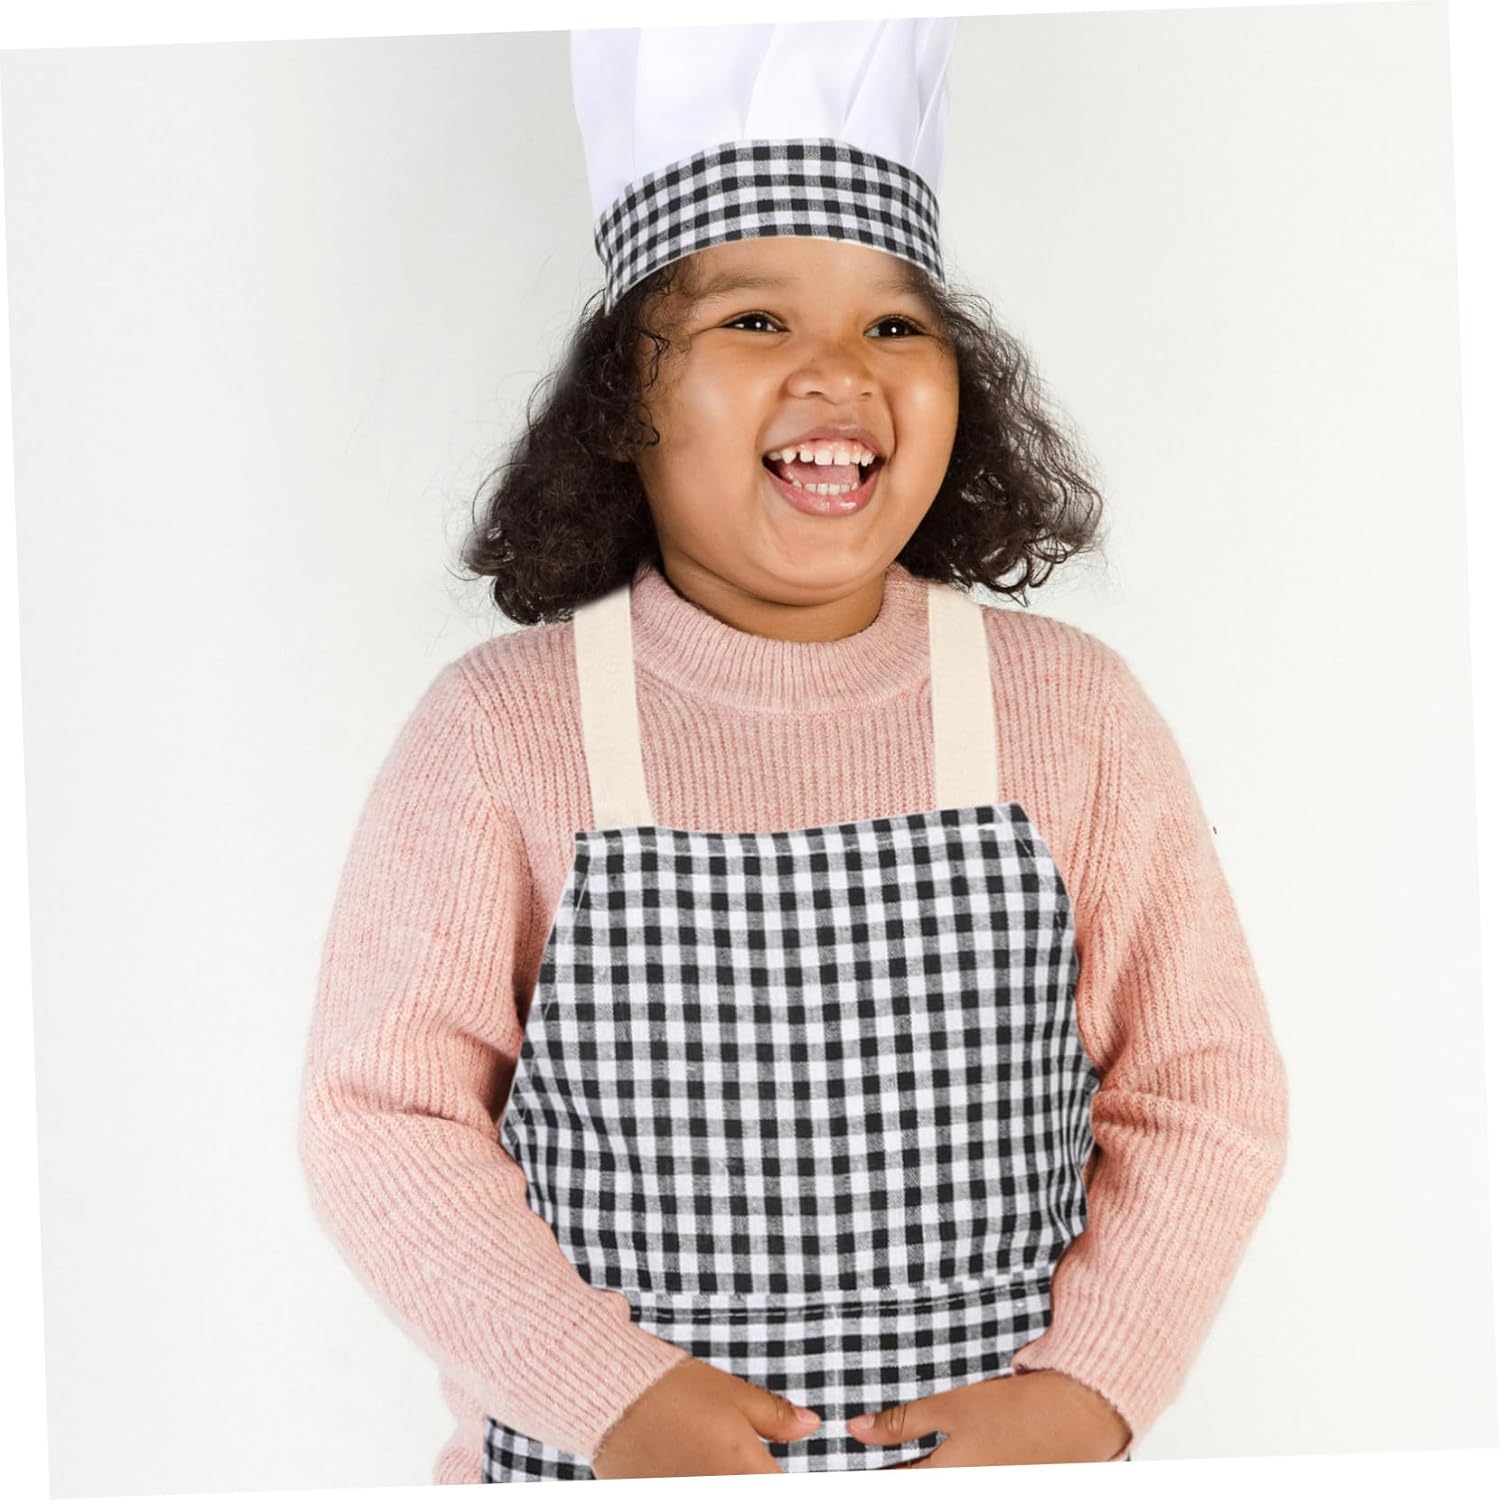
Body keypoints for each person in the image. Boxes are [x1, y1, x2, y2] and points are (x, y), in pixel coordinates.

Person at [297, 17, 1289, 1485]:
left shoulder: (1071, 713)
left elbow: (1204, 1088)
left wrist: (1089, 1390)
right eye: (756, 322)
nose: (840, 371)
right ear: (622, 403)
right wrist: (607, 1393)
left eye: (895, 327)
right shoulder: (503, 732)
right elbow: (385, 1119)